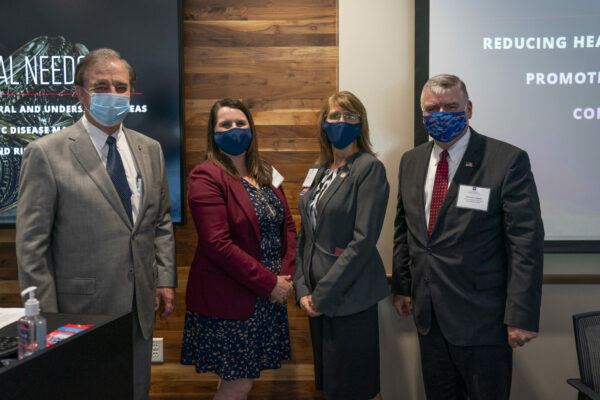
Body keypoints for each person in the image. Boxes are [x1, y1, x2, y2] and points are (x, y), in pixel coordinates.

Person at [16, 48, 176, 400]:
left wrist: (164, 279)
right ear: (80, 92)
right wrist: (48, 319)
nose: (113, 94)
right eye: (101, 86)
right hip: (78, 314)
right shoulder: (46, 152)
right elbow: (32, 247)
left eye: (121, 87)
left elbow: (160, 219)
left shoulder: (150, 149)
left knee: (135, 391)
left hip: (138, 310)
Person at [392, 74, 544, 399]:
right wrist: (402, 286)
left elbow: (525, 244)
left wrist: (521, 315)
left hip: (483, 320)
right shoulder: (411, 160)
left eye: (451, 106)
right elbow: (405, 229)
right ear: (422, 113)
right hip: (429, 316)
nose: (441, 114)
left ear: (469, 109)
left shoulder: (506, 161)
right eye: (432, 108)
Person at [181, 98, 297, 400]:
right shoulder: (206, 176)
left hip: (269, 298)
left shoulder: (266, 172)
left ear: (251, 128)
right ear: (213, 133)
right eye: (225, 125)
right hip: (232, 300)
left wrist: (285, 277)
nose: (234, 129)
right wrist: (269, 283)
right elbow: (217, 244)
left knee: (236, 379)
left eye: (240, 123)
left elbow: (288, 227)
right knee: (240, 382)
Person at [294, 91, 389, 400]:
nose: (340, 122)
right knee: (330, 387)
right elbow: (305, 232)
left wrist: (321, 296)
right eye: (333, 116)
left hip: (349, 300)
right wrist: (301, 288)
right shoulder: (317, 170)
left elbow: (362, 242)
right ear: (323, 124)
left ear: (360, 125)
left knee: (352, 390)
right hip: (316, 299)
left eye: (349, 116)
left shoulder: (368, 168)